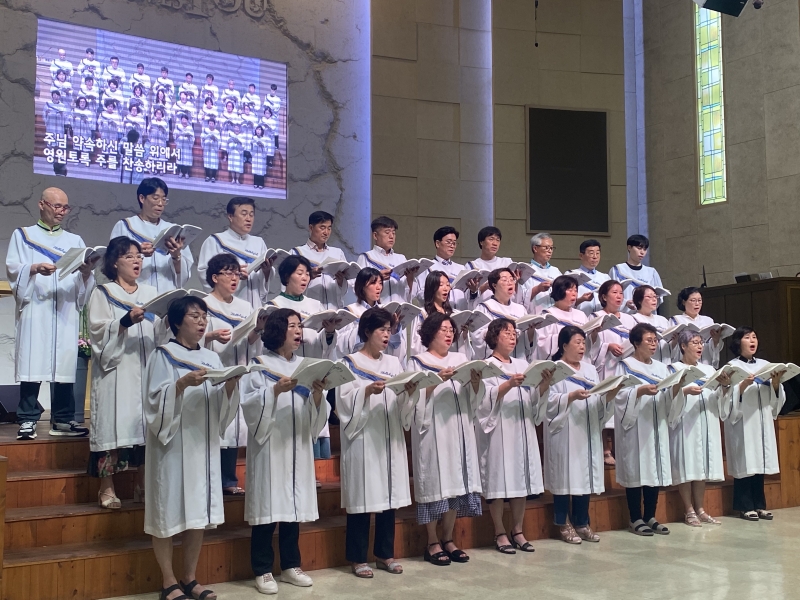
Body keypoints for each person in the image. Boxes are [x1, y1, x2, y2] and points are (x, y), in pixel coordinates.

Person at [145, 296, 241, 600]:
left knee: (198, 512)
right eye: (194, 316)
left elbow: (220, 405)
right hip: (171, 444)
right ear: (176, 321)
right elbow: (152, 402)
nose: (201, 322)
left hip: (202, 444)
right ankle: (168, 581)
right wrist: (180, 384)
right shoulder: (162, 355)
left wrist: (230, 386)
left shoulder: (212, 358)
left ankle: (189, 577)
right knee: (166, 510)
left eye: (204, 317)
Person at [240, 309, 329, 593]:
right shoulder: (259, 365)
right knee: (267, 507)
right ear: (278, 330)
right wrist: (274, 391)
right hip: (270, 445)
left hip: (297, 444)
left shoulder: (307, 366)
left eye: (300, 325)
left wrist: (318, 395)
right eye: (292, 325)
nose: (299, 330)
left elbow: (316, 413)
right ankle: (263, 569)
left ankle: (291, 565)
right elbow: (249, 404)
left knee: (293, 506)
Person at [6, 188, 94, 441]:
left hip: (64, 309)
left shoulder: (74, 241)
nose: (61, 212)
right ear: (41, 204)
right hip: (37, 308)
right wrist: (34, 268)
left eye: (65, 207)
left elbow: (83, 282)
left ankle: (63, 419)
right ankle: (27, 418)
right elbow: (13, 268)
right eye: (57, 206)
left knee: (64, 364)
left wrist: (86, 272)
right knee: (33, 362)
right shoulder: (24, 236)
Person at [337, 308, 420, 577]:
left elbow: (401, 402)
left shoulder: (394, 364)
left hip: (389, 437)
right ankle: (357, 557)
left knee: (388, 497)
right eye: (381, 330)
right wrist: (366, 391)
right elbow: (343, 402)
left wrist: (409, 393)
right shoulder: (349, 363)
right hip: (363, 439)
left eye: (389, 330)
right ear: (367, 332)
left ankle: (385, 553)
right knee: (362, 497)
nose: (387, 335)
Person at [87, 237, 164, 509]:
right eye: (129, 256)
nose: (136, 261)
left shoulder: (151, 293)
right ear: (115, 262)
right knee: (112, 426)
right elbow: (97, 330)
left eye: (138, 256)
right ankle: (106, 487)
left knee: (145, 427)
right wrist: (125, 321)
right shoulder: (103, 292)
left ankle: (142, 484)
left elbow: (160, 331)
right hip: (117, 370)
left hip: (147, 368)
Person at [410, 313, 483, 566]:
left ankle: (448, 538)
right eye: (443, 329)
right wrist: (434, 382)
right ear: (430, 333)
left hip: (459, 428)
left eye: (451, 330)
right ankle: (432, 541)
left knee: (455, 482)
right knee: (434, 483)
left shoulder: (461, 359)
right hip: (433, 430)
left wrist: (475, 384)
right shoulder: (418, 362)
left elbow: (473, 398)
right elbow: (412, 399)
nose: (449, 334)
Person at [478, 319, 550, 554]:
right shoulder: (486, 366)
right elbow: (482, 400)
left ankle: (517, 530)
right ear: (494, 337)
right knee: (498, 480)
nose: (512, 336)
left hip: (522, 426)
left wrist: (543, 385)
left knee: (521, 478)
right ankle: (499, 532)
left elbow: (532, 398)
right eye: (506, 332)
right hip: (499, 429)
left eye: (514, 333)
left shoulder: (523, 364)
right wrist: (508, 384)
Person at [546, 326, 619, 543]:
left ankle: (581, 522)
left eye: (584, 343)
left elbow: (596, 399)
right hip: (565, 430)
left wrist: (608, 396)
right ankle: (562, 522)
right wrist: (570, 397)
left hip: (587, 429)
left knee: (584, 476)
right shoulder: (555, 369)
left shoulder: (590, 370)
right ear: (564, 345)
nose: (582, 347)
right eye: (577, 342)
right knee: (564, 476)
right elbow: (547, 402)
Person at [203, 253, 268, 497]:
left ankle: (229, 479)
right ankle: (211, 479)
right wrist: (211, 336)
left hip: (239, 370)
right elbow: (193, 337)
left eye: (236, 274)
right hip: (215, 371)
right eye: (228, 273)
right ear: (214, 277)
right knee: (218, 423)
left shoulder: (245, 307)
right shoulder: (204, 304)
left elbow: (249, 342)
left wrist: (257, 330)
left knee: (233, 427)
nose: (234, 279)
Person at [614, 323, 682, 536]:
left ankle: (650, 516)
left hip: (656, 423)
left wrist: (676, 389)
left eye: (655, 340)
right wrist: (639, 391)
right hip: (635, 426)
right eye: (649, 340)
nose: (654, 344)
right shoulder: (625, 366)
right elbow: (619, 396)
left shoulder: (662, 368)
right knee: (636, 470)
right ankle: (635, 517)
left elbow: (668, 396)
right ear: (636, 343)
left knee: (654, 468)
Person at [669, 330, 731, 526]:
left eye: (701, 343)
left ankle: (701, 509)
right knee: (687, 465)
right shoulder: (674, 369)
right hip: (685, 421)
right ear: (683, 346)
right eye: (694, 342)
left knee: (701, 465)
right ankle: (688, 510)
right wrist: (685, 391)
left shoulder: (709, 370)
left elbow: (717, 396)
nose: (699, 346)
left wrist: (725, 387)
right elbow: (667, 397)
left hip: (706, 419)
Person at [724, 327, 786, 521]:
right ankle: (744, 506)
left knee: (760, 462)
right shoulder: (732, 367)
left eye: (754, 337)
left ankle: (759, 505)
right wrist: (742, 387)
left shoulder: (765, 365)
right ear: (738, 342)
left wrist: (775, 384)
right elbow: (725, 398)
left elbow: (776, 399)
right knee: (746, 463)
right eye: (747, 337)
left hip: (762, 420)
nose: (752, 340)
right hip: (743, 421)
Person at [111, 178, 194, 292]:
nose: (160, 204)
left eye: (164, 199)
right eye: (155, 198)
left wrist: (176, 256)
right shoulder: (125, 226)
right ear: (142, 198)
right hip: (136, 292)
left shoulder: (173, 231)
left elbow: (183, 276)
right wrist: (138, 253)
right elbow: (113, 260)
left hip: (167, 292)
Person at [197, 196, 270, 308]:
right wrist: (234, 273)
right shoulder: (216, 241)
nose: (248, 219)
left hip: (254, 303)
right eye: (244, 214)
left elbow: (263, 283)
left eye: (251, 214)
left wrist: (267, 272)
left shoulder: (258, 242)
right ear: (230, 216)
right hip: (226, 305)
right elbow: (205, 274)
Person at [267, 255, 338, 358]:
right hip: (286, 363)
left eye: (307, 274)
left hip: (313, 361)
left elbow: (322, 342)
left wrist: (329, 332)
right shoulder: (274, 306)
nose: (305, 278)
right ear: (286, 276)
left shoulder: (316, 305)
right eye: (300, 273)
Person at [336, 268, 407, 362]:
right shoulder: (350, 311)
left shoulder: (385, 310)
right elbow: (339, 345)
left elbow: (397, 351)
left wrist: (393, 330)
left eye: (380, 283)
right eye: (373, 283)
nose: (378, 287)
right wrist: (364, 329)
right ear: (362, 286)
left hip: (381, 363)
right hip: (359, 363)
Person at [290, 211, 349, 310]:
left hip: (333, 310)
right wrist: (309, 276)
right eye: (322, 228)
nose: (326, 232)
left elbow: (344, 291)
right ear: (311, 228)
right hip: (307, 311)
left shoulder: (337, 253)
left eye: (329, 228)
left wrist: (341, 281)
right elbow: (289, 286)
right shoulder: (297, 253)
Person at [472, 268, 534, 360]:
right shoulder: (485, 307)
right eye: (505, 280)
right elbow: (477, 336)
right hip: (495, 361)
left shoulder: (521, 309)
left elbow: (527, 341)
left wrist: (531, 331)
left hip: (517, 360)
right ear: (494, 285)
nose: (510, 283)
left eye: (512, 279)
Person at [412, 226, 478, 310]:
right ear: (437, 243)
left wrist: (473, 291)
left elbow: (467, 296)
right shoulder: (427, 266)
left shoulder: (461, 268)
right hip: (437, 313)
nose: (452, 246)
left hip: (460, 313)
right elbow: (420, 294)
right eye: (448, 242)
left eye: (454, 243)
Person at [357, 216, 418, 304]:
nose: (391, 236)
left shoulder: (401, 258)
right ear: (375, 235)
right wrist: (377, 278)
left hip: (400, 308)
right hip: (378, 309)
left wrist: (410, 278)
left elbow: (410, 293)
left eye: (393, 233)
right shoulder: (366, 257)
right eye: (387, 232)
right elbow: (357, 287)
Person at [411, 270, 473, 358]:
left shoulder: (455, 313)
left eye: (448, 285)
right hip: (432, 360)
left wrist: (464, 334)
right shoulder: (422, 314)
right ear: (431, 288)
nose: (446, 288)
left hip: (452, 360)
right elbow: (416, 345)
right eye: (441, 285)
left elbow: (460, 346)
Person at [587, 280, 638, 380]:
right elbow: (588, 345)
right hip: (606, 366)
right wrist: (608, 346)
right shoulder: (596, 317)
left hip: (626, 366)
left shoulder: (630, 319)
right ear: (604, 297)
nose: (619, 296)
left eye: (621, 293)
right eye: (614, 292)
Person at [669, 287, 724, 368]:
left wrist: (716, 340)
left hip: (705, 362)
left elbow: (714, 347)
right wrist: (675, 341)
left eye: (699, 300)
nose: (697, 303)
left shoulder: (708, 320)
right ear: (684, 302)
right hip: (684, 364)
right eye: (693, 300)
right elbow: (669, 347)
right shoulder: (676, 320)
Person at [609, 234, 666, 312]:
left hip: (646, 315)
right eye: (639, 248)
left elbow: (659, 298)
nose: (642, 252)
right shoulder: (618, 270)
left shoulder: (651, 272)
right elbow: (611, 294)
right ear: (629, 247)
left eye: (645, 249)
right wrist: (625, 302)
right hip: (625, 314)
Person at [535, 275, 587, 360]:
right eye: (570, 290)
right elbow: (541, 344)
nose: (574, 294)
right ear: (560, 290)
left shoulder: (581, 315)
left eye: (576, 290)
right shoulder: (548, 315)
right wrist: (566, 339)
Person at [465, 226, 513, 303]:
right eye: (491, 239)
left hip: (504, 306)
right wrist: (482, 288)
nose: (495, 243)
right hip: (481, 306)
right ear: (481, 242)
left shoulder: (506, 263)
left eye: (498, 240)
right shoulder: (472, 266)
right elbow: (466, 297)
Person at [521, 232, 562, 314]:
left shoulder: (556, 271)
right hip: (535, 315)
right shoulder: (526, 270)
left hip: (555, 315)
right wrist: (538, 289)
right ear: (535, 248)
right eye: (546, 248)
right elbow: (520, 297)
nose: (550, 251)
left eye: (551, 248)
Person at [567, 239, 610, 316]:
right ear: (581, 256)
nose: (595, 257)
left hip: (601, 319)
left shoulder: (605, 277)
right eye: (591, 253)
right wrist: (581, 299)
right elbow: (564, 301)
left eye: (597, 253)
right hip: (578, 318)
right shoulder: (571, 275)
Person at [631, 285, 672, 364]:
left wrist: (674, 340)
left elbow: (669, 347)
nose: (654, 299)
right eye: (649, 297)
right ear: (639, 300)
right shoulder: (633, 319)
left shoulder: (662, 320)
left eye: (655, 296)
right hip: (645, 364)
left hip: (665, 362)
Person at [43, 90, 69, 176]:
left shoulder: (62, 106)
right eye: (54, 95)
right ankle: (50, 157)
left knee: (59, 144)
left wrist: (62, 114)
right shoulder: (47, 104)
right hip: (51, 127)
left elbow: (66, 117)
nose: (56, 96)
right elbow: (44, 116)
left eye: (57, 95)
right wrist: (46, 113)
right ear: (52, 96)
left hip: (59, 128)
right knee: (51, 143)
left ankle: (59, 158)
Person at [173, 113, 195, 179]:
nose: (184, 121)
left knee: (187, 160)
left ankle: (187, 173)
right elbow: (174, 135)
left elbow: (193, 137)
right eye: (183, 119)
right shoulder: (178, 126)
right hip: (180, 145)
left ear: (187, 120)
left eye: (185, 119)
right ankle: (180, 172)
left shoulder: (190, 128)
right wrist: (178, 135)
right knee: (180, 159)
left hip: (187, 146)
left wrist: (188, 136)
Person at [201, 118, 222, 182]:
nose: (211, 125)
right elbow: (202, 138)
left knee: (214, 163)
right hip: (207, 149)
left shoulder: (217, 132)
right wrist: (204, 139)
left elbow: (219, 141)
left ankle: (213, 177)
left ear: (214, 124)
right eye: (210, 123)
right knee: (206, 162)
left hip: (214, 149)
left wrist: (215, 140)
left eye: (212, 123)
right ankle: (207, 176)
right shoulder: (205, 130)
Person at [265, 84, 281, 148]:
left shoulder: (278, 99)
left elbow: (276, 109)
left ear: (276, 91)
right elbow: (265, 106)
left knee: (275, 133)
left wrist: (270, 107)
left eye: (274, 90)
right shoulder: (267, 96)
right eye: (271, 90)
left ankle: (276, 147)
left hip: (274, 118)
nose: (272, 92)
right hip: (267, 118)